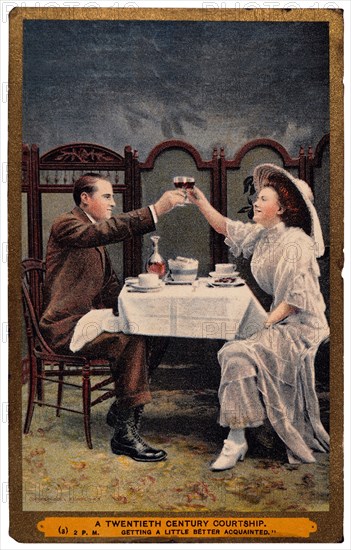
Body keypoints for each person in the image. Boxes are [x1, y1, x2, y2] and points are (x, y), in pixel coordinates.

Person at [188, 163, 330, 470]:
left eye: (263, 198)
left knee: (236, 349)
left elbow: (294, 302)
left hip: (301, 326)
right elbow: (225, 227)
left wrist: (261, 325)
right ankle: (237, 437)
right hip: (279, 321)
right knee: (235, 352)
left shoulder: (296, 244)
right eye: (258, 196)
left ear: (281, 208)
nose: (256, 201)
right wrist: (199, 200)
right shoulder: (264, 235)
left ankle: (236, 438)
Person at [40, 172, 186, 462]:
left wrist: (142, 306)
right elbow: (106, 230)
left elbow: (109, 287)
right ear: (85, 198)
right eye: (106, 196)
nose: (113, 202)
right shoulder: (68, 225)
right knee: (128, 341)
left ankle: (122, 410)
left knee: (156, 331)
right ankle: (124, 434)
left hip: (86, 320)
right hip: (64, 327)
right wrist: (155, 210)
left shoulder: (92, 234)